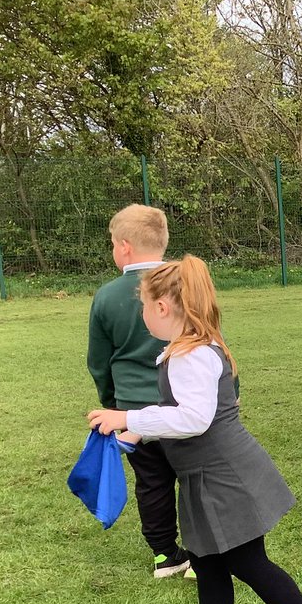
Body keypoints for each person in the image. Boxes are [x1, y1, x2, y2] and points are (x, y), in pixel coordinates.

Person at [88, 256, 302, 604]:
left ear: (162, 308)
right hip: (206, 477)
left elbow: (194, 419)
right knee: (206, 562)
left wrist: (128, 417)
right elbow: (180, 411)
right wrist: (138, 433)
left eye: (145, 307)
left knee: (248, 562)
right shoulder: (189, 348)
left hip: (223, 477)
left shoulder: (190, 355)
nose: (144, 315)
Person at [87, 204, 191, 578]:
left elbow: (99, 361)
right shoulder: (186, 284)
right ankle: (201, 554)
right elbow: (214, 341)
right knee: (195, 479)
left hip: (133, 410)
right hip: (185, 406)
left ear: (125, 246)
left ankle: (165, 555)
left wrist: (113, 405)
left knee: (152, 482)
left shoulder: (106, 296)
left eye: (112, 243)